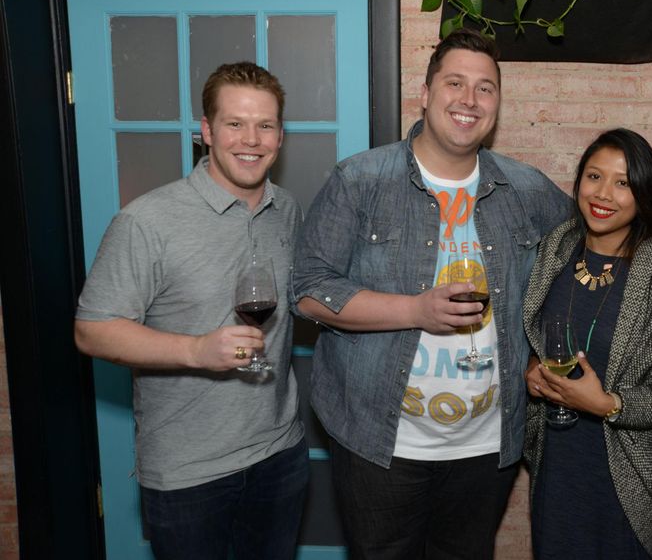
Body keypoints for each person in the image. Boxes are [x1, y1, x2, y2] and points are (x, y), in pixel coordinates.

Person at [289, 29, 574, 559]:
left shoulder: (527, 188)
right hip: (379, 439)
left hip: (488, 444)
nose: (469, 100)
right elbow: (307, 290)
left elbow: (594, 244)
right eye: (455, 83)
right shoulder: (361, 180)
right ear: (425, 93)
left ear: (497, 104)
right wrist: (414, 310)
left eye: (485, 88)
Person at [74, 62, 308, 560]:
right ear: (206, 132)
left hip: (279, 455)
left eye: (265, 125)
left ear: (280, 136)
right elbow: (92, 331)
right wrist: (197, 350)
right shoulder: (147, 221)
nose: (251, 139)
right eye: (234, 123)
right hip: (188, 473)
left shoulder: (286, 209)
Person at [522, 128, 652, 559]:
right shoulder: (555, 250)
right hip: (556, 466)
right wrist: (533, 368)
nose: (604, 193)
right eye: (594, 176)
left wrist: (610, 404)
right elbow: (536, 333)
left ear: (645, 194)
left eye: (623, 183)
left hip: (624, 478)